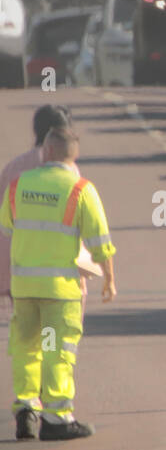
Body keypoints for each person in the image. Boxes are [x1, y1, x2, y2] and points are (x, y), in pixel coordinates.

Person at [0, 128, 116, 441]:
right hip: (59, 293)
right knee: (55, 351)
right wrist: (109, 279)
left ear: (47, 152)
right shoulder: (80, 189)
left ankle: (26, 410)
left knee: (25, 349)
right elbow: (100, 242)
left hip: (24, 290)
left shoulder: (17, 186)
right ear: (72, 155)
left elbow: (6, 226)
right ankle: (57, 418)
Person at [1, 105, 84, 316]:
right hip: (57, 269)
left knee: (29, 333)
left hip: (18, 266)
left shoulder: (14, 167)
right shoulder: (68, 170)